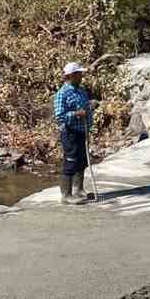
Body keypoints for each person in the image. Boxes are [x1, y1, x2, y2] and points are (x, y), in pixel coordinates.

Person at [53, 62, 94, 206]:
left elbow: (86, 108)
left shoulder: (81, 91)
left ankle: (79, 190)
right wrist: (76, 114)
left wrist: (89, 108)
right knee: (71, 161)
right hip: (70, 133)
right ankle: (66, 195)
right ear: (71, 75)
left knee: (82, 161)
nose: (81, 76)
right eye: (79, 74)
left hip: (82, 131)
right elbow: (59, 116)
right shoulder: (62, 94)